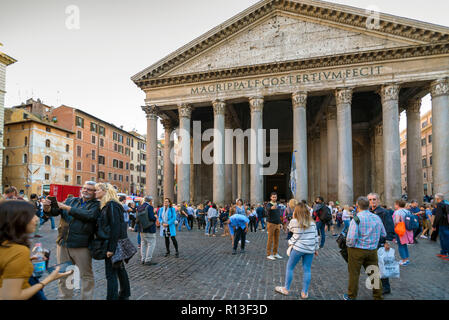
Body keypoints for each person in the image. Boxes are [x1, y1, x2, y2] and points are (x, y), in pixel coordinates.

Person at [0, 200, 73, 300]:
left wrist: (27, 261)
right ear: (18, 220)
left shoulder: (6, 244)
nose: (37, 219)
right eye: (32, 215)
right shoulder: (19, 251)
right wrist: (48, 279)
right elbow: (11, 296)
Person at [43, 181, 100, 300]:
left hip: (82, 245)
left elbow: (89, 216)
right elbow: (55, 212)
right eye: (84, 188)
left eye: (89, 189)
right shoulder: (71, 200)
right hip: (63, 243)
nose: (85, 190)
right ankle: (66, 297)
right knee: (65, 274)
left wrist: (66, 207)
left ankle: (87, 298)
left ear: (95, 193)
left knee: (86, 276)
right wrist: (47, 207)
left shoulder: (96, 205)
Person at [343, 197, 386, 300]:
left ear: (357, 206)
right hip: (372, 250)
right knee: (374, 274)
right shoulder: (376, 218)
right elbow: (383, 233)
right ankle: (378, 296)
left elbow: (351, 238)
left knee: (354, 274)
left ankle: (351, 295)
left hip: (357, 250)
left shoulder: (357, 219)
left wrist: (349, 246)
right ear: (369, 205)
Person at [275, 203, 319, 299]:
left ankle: (286, 289)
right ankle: (304, 292)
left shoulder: (294, 222)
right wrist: (316, 248)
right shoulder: (312, 223)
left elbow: (290, 231)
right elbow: (316, 237)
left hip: (298, 248)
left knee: (290, 267)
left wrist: (290, 242)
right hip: (310, 249)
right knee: (307, 269)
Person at [94, 183, 131, 300]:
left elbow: (115, 228)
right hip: (114, 243)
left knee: (111, 274)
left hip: (112, 244)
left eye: (97, 190)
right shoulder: (111, 205)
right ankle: (125, 294)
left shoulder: (111, 205)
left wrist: (111, 248)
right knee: (119, 269)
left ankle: (112, 297)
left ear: (105, 191)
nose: (95, 192)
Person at [368, 192, 395, 295]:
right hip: (371, 243)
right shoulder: (368, 212)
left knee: (381, 266)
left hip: (381, 242)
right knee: (373, 265)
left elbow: (389, 227)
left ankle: (386, 287)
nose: (372, 201)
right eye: (370, 200)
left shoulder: (384, 212)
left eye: (374, 199)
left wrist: (387, 241)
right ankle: (377, 285)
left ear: (378, 200)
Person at [136, 196, 157, 266]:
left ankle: (143, 259)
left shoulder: (139, 207)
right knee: (151, 244)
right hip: (149, 228)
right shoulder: (149, 207)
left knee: (143, 244)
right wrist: (155, 217)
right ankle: (148, 260)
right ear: (150, 201)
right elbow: (151, 217)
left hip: (141, 228)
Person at [393, 200, 414, 266]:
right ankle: (406, 259)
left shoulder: (397, 212)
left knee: (400, 245)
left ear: (397, 204)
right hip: (407, 230)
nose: (394, 206)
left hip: (400, 230)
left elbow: (396, 222)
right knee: (404, 245)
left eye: (395, 204)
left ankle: (404, 260)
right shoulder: (407, 211)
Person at [266, 192, 283, 260]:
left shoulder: (278, 204)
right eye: (273, 197)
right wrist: (271, 208)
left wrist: (280, 223)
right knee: (270, 239)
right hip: (271, 223)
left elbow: (278, 215)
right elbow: (267, 210)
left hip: (277, 223)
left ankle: (275, 253)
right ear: (270, 197)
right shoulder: (268, 204)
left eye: (275, 197)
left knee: (276, 240)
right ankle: (269, 254)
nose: (274, 198)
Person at [432, 193, 449, 260]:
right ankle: (443, 252)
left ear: (438, 198)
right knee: (445, 239)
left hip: (443, 224)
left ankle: (445, 253)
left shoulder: (440, 205)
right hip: (447, 223)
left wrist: (434, 225)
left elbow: (438, 216)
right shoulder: (447, 203)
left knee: (444, 239)